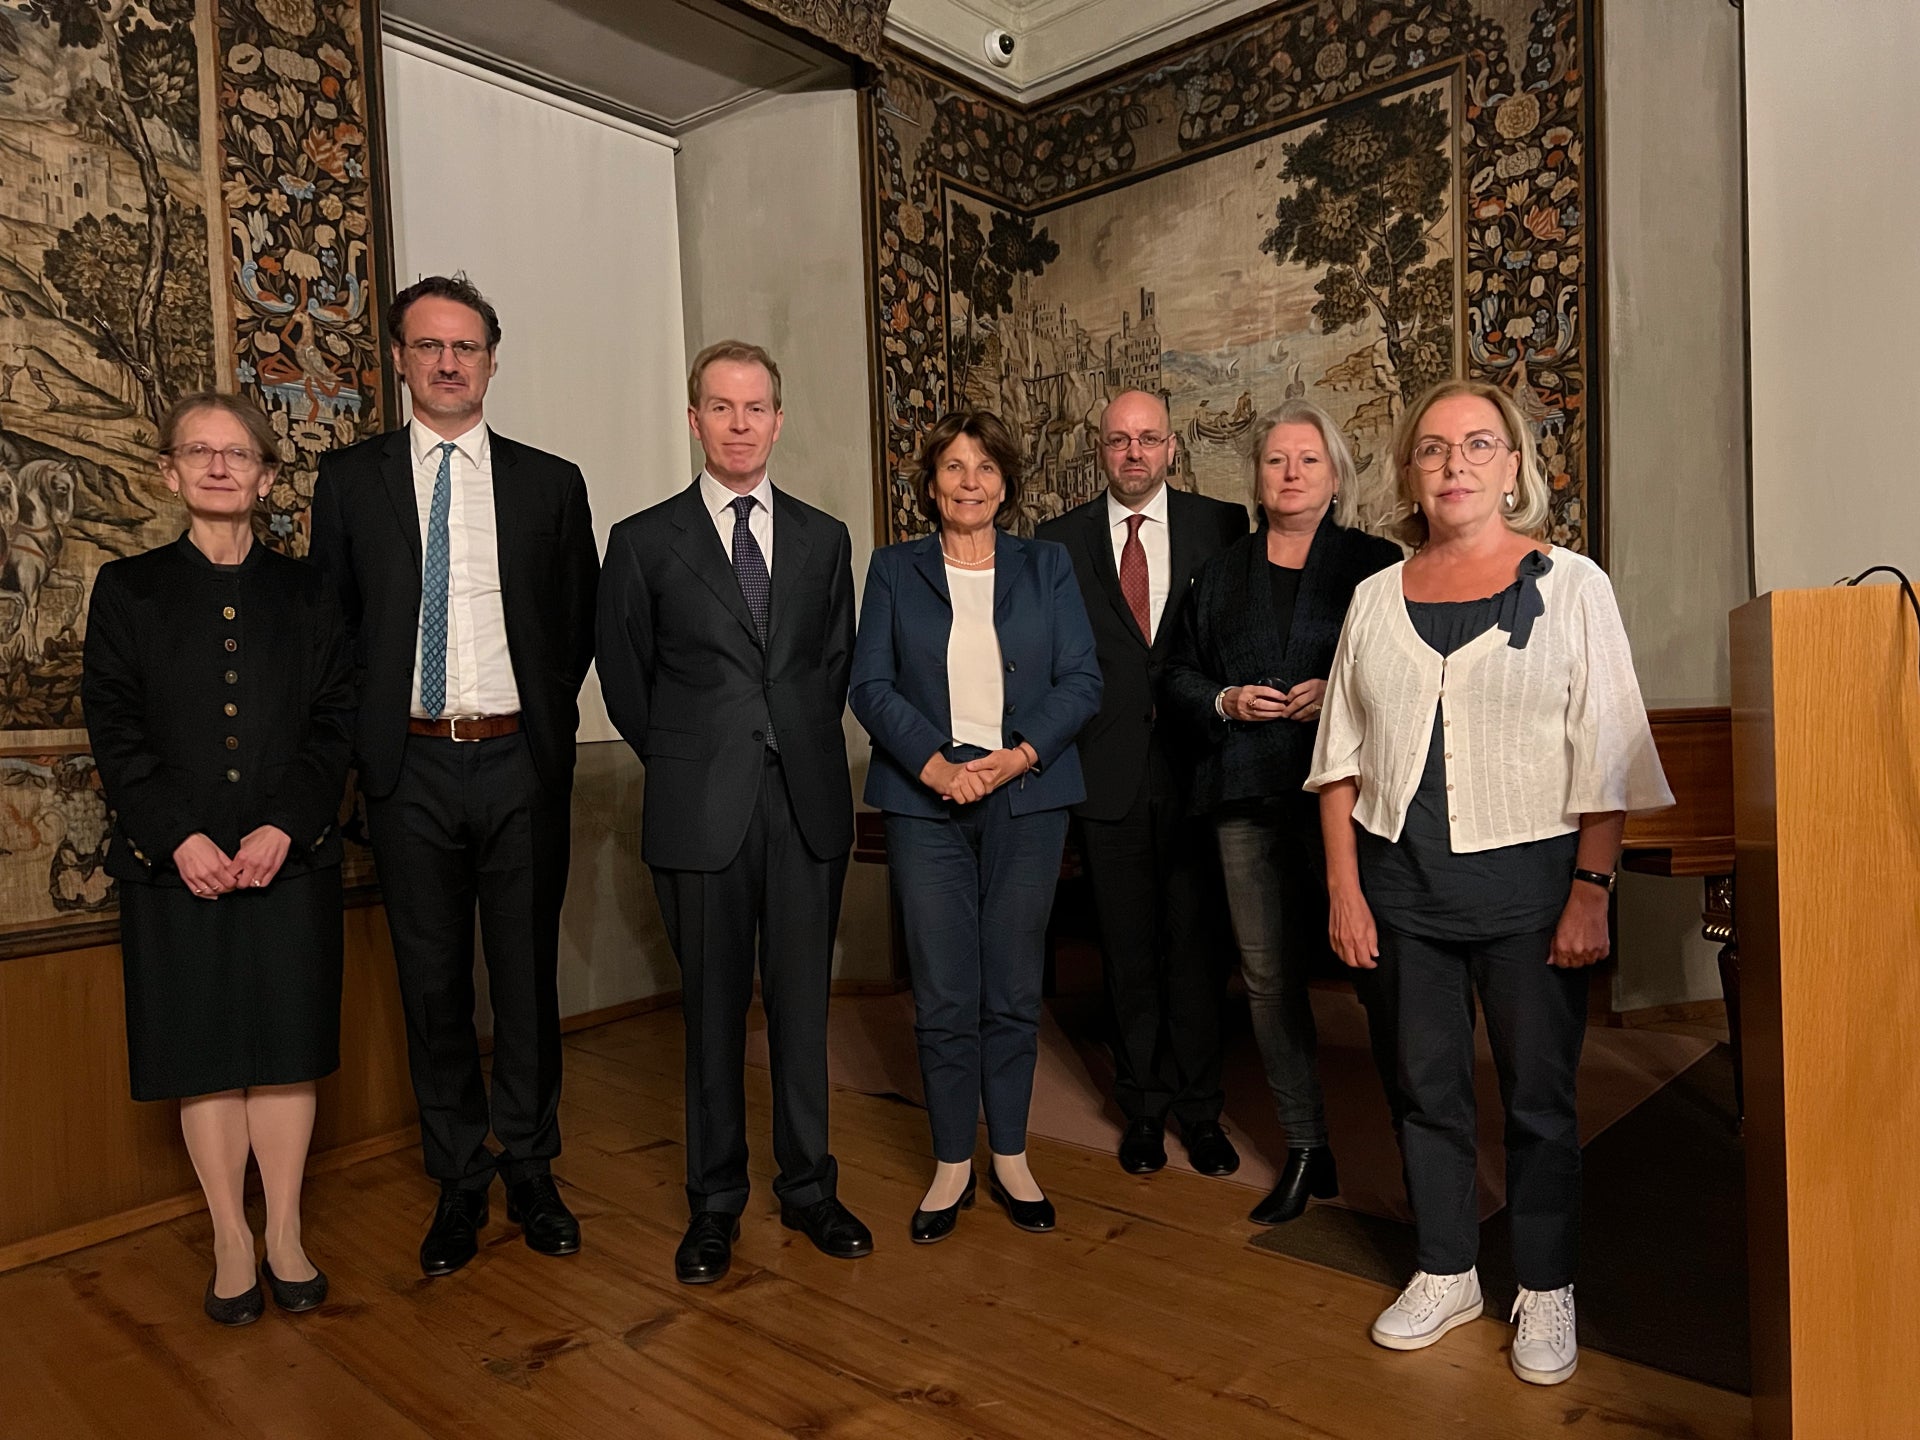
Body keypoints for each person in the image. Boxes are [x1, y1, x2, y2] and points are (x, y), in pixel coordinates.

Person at [1306, 378, 1671, 1386]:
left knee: (1541, 1099)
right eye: (1432, 450)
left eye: (1477, 446)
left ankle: (1546, 1286)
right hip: (1398, 886)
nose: (1453, 465)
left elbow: (1609, 751)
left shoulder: (1574, 585)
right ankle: (1446, 1266)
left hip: (1531, 889)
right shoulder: (1375, 597)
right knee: (1423, 1090)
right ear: (1410, 474)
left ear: (1514, 467)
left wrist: (1592, 886)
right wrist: (1344, 887)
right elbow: (1338, 758)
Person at [309, 274, 600, 1277]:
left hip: (520, 759)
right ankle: (458, 1181)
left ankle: (530, 1166)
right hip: (409, 770)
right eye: (427, 345)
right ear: (399, 357)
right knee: (432, 988)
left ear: (489, 361)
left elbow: (577, 619)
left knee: (524, 980)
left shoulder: (549, 482)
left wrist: (547, 723)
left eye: (465, 347)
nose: (446, 362)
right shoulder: (350, 483)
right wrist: (365, 754)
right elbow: (335, 633)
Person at [597, 340, 871, 1285]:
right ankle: (713, 1205)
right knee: (712, 1015)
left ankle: (810, 1190)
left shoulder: (826, 537)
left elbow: (831, 661)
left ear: (779, 420)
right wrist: (694, 756)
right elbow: (627, 680)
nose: (741, 423)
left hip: (805, 805)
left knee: (802, 1010)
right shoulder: (642, 541)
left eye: (757, 408)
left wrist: (780, 741)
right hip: (698, 808)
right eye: (722, 407)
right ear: (695, 420)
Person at [82, 391, 353, 1325]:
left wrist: (287, 824)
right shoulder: (128, 589)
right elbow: (113, 729)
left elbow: (335, 722)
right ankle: (229, 1238)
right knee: (204, 1051)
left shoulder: (313, 591)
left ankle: (283, 1230)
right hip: (174, 865)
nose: (219, 465)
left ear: (268, 476)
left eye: (238, 453)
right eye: (198, 451)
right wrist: (179, 836)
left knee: (283, 1050)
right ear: (170, 472)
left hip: (292, 855)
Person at [849, 410, 1102, 1243]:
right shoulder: (893, 569)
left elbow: (1081, 679)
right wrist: (933, 765)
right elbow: (870, 683)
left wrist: (1019, 756)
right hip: (926, 797)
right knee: (946, 988)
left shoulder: (1048, 566)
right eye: (954, 467)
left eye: (985, 467)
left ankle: (1013, 1155)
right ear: (930, 486)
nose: (969, 481)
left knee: (1013, 984)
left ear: (1005, 483)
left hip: (1026, 793)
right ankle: (952, 1159)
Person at [1163, 399, 1404, 1226]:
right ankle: (1306, 1144)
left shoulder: (1379, 564)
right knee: (1268, 979)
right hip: (1244, 793)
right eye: (1275, 461)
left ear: (1336, 478)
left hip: (1357, 797)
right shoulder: (1220, 572)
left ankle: (1417, 1139)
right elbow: (1180, 677)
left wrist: (1338, 691)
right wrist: (1226, 698)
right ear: (1257, 479)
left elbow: (1411, 677)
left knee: (1379, 974)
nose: (1291, 473)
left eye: (1308, 460)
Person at [1034, 389, 1247, 1178]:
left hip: (1199, 770)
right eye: (1119, 440)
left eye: (1148, 439)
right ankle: (1143, 1110)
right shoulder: (1056, 543)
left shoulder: (1221, 527)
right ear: (1100, 449)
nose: (1134, 453)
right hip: (1106, 775)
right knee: (1124, 953)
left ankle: (1202, 1111)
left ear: (1172, 447)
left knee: (1198, 951)